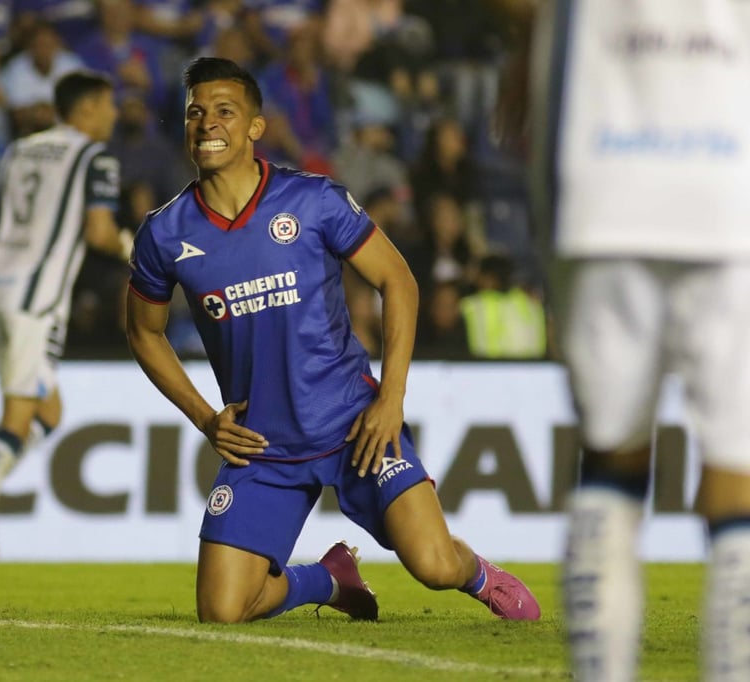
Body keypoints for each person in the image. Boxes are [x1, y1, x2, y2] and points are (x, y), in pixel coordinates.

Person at [125, 57, 540, 623]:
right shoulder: (165, 233)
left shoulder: (312, 200)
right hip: (261, 444)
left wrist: (390, 400)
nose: (207, 123)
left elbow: (399, 282)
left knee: (435, 565)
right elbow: (143, 332)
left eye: (225, 111)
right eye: (195, 112)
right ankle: (327, 579)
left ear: (254, 127)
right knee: (222, 611)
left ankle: (481, 575)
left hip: (353, 426)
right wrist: (204, 418)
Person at [491, 0, 750, 679]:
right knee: (739, 477)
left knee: (611, 462)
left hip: (602, 171)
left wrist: (534, 42)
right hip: (729, 180)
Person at [0, 70, 133, 568]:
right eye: (108, 105)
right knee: (18, 419)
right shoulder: (94, 156)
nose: (114, 114)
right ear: (85, 110)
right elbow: (100, 230)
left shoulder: (21, 148)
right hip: (35, 301)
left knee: (50, 413)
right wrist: (138, 250)